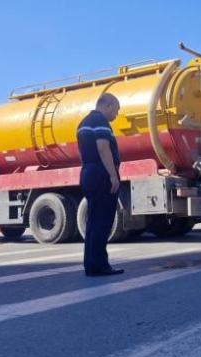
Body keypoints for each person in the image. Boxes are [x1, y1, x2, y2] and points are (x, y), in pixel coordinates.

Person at [77, 93, 123, 277]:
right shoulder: (100, 121)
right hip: (101, 173)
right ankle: (99, 266)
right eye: (117, 110)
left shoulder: (83, 123)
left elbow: (82, 153)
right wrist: (113, 175)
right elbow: (103, 148)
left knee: (93, 221)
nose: (116, 115)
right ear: (108, 105)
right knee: (103, 221)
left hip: (88, 171)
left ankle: (91, 264)